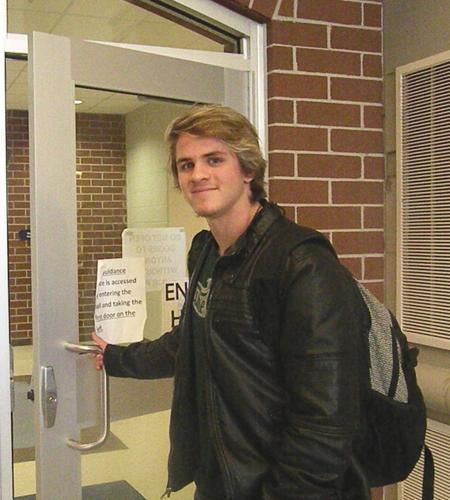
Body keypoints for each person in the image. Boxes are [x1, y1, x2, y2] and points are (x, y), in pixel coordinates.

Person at [92, 104, 372, 499]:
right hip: (221, 481)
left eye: (214, 159)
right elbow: (191, 341)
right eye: (186, 165)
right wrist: (119, 358)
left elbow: (325, 422)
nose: (198, 174)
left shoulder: (300, 263)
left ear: (248, 170)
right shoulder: (206, 252)